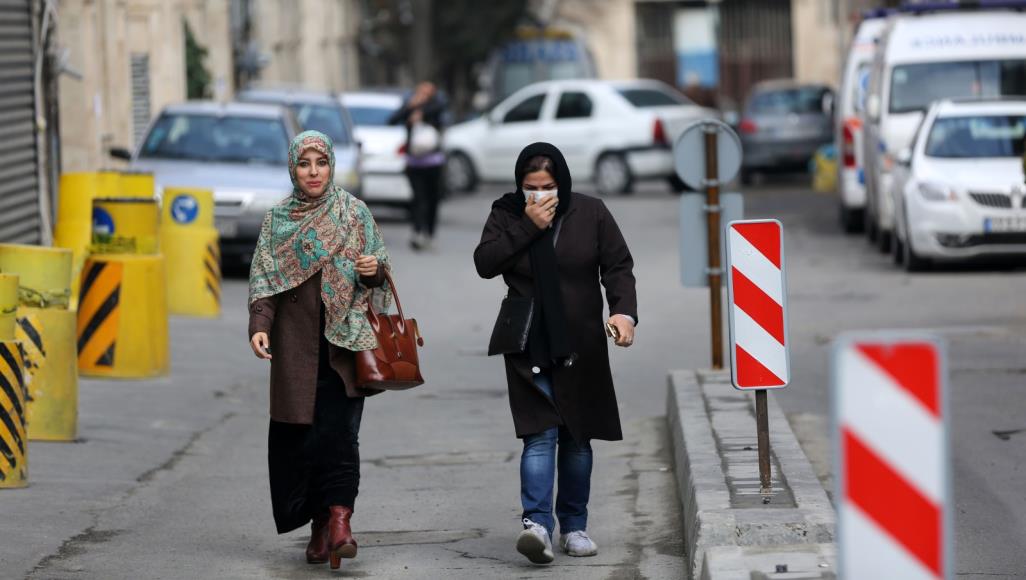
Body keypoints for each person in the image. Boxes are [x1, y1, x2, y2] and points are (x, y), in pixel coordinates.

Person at [473, 142, 638, 564]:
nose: (540, 195)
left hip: (580, 342)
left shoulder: (591, 213)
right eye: (530, 187)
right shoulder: (507, 214)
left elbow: (618, 266)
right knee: (540, 433)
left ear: (562, 183)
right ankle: (537, 526)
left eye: (548, 187)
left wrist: (623, 313)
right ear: (519, 186)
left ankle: (575, 526)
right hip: (528, 339)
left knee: (577, 437)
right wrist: (527, 226)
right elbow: (485, 262)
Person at [247, 130, 392, 570]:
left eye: (321, 162)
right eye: (304, 163)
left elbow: (381, 274)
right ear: (293, 168)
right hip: (296, 347)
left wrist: (372, 270)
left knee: (341, 437)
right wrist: (260, 326)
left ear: (331, 166)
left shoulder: (354, 212)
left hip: (344, 346)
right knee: (301, 442)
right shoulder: (277, 220)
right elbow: (265, 279)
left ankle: (341, 522)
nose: (314, 172)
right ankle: (319, 526)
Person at [389, 81, 447, 250]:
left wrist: (421, 113)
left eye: (427, 93)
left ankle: (430, 233)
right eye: (421, 92)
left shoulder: (435, 107)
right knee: (418, 198)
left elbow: (439, 109)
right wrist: (410, 107)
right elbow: (392, 120)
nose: (423, 95)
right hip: (414, 163)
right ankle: (417, 232)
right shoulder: (410, 107)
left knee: (432, 199)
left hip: (433, 163)